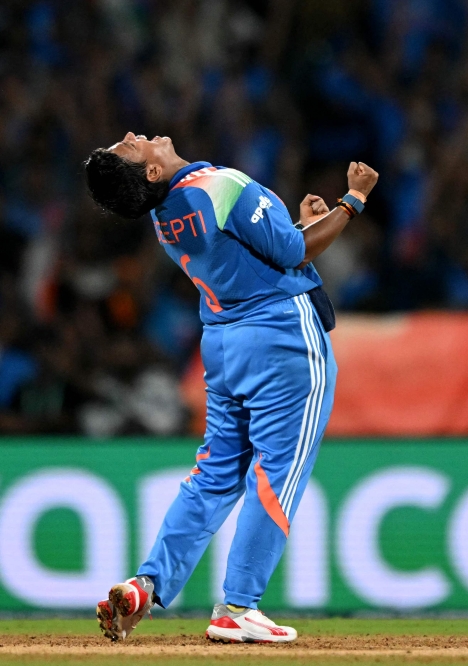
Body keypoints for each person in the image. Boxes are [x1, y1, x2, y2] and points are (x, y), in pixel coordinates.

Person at [84, 133, 378, 642]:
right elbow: (292, 252)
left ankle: (146, 585)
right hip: (282, 340)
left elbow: (248, 253)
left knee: (214, 475)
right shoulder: (219, 185)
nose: (133, 136)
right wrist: (354, 201)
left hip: (223, 345)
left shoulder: (164, 211)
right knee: (276, 474)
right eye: (128, 148)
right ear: (151, 173)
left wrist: (298, 223)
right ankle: (239, 607)